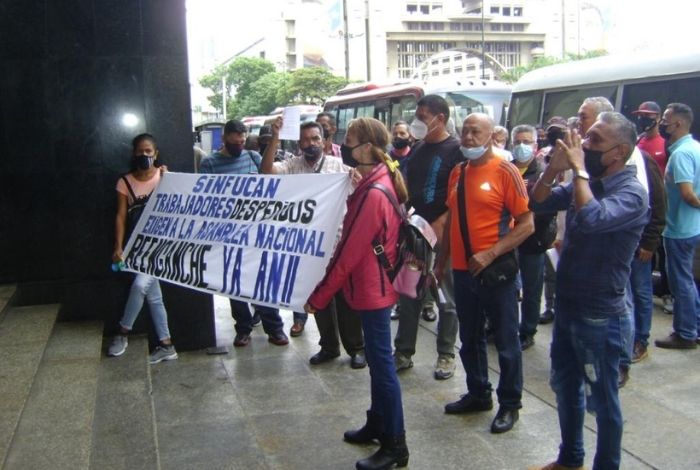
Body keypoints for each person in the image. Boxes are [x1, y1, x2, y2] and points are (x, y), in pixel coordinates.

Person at [528, 112, 648, 470]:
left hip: (601, 315)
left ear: (619, 152)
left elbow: (594, 219)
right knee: (565, 388)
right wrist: (555, 169)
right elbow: (538, 201)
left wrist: (578, 169)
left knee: (604, 400)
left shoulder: (632, 194)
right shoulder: (588, 181)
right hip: (569, 306)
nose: (585, 145)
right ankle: (570, 458)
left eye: (595, 140)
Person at [305, 117, 409, 470]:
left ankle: (396, 446)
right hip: (371, 288)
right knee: (379, 367)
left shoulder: (375, 193)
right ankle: (378, 424)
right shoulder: (375, 181)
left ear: (366, 148)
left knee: (383, 369)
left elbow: (349, 252)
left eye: (349, 142)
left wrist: (318, 298)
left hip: (373, 292)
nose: (345, 147)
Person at [438, 113, 534, 434]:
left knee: (506, 341)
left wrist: (491, 253)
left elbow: (526, 224)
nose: (467, 137)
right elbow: (452, 219)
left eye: (474, 132)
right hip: (463, 273)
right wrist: (440, 263)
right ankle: (478, 392)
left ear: (492, 135)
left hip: (495, 273)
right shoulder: (458, 172)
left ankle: (510, 404)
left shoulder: (506, 171)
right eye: (464, 131)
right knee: (470, 337)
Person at [261, 118, 367, 368]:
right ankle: (329, 347)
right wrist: (275, 137)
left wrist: (355, 179)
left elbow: (358, 195)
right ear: (299, 143)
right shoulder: (292, 165)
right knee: (318, 299)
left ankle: (357, 348)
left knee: (345, 300)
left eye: (315, 139)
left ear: (325, 141)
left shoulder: (339, 167)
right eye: (306, 140)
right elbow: (266, 171)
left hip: (337, 245)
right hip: (308, 247)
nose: (311, 144)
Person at [199, 120, 289, 348]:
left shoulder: (253, 158)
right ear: (225, 138)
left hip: (257, 232)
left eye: (243, 139)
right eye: (235, 139)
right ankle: (243, 329)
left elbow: (269, 183)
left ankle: (274, 328)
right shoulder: (210, 163)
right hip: (229, 234)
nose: (240, 143)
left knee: (263, 279)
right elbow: (205, 198)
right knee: (235, 283)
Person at [396, 94, 461, 381]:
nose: (417, 123)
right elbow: (407, 189)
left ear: (440, 118)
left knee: (445, 298)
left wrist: (438, 226)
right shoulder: (418, 149)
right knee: (409, 294)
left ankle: (446, 354)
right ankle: (403, 352)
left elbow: (457, 198)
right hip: (414, 235)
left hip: (443, 238)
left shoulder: (456, 150)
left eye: (422, 117)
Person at [108, 133, 178, 364]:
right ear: (134, 153)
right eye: (140, 151)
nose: (145, 155)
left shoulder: (164, 176)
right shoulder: (125, 182)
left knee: (140, 285)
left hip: (161, 248)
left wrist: (169, 179)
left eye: (149, 151)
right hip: (137, 248)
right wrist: (118, 247)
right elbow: (120, 217)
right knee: (154, 298)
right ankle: (166, 344)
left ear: (156, 153)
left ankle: (122, 331)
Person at [655, 103, 700, 350]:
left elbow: (688, 194)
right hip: (691, 227)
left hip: (679, 229)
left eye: (666, 119)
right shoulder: (695, 147)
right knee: (688, 280)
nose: (663, 123)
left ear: (679, 123)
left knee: (681, 282)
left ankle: (685, 332)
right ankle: (694, 326)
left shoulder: (682, 154)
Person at [510, 125, 557, 351]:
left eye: (527, 141)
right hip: (506, 241)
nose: (522, 146)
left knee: (531, 289)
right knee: (506, 287)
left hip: (533, 240)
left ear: (535, 145)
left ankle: (527, 330)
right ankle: (502, 325)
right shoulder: (505, 170)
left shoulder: (543, 173)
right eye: (518, 141)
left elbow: (547, 207)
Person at [633, 101, 667, 174]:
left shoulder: (666, 143)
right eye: (640, 115)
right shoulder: (636, 141)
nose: (643, 118)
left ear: (658, 118)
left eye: (647, 115)